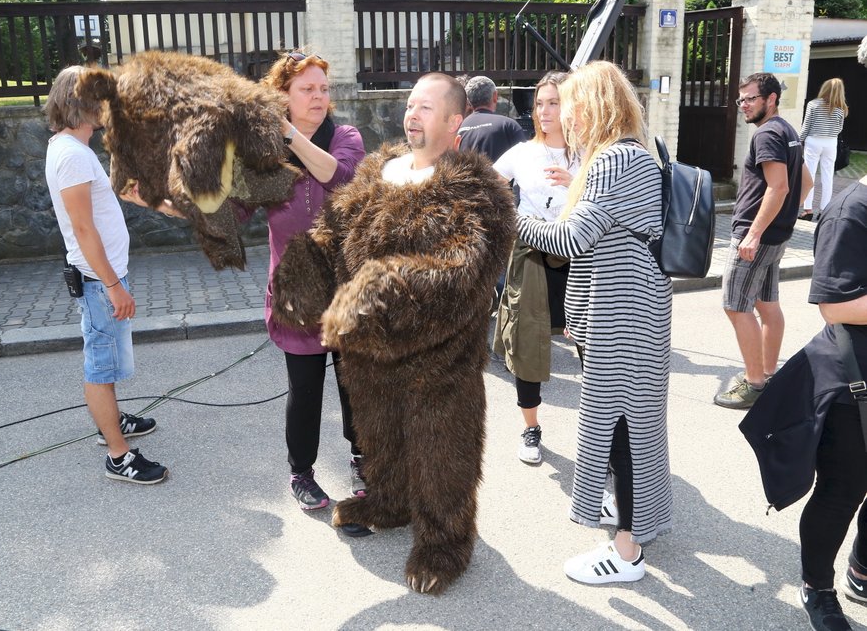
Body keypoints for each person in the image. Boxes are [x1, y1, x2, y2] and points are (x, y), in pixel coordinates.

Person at [270, 72, 515, 594]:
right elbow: (336, 228)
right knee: (379, 434)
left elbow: (461, 268)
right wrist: (306, 267)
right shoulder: (381, 168)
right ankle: (389, 498)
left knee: (440, 449)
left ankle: (445, 543)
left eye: (425, 108)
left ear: (455, 121)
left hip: (439, 357)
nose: (412, 115)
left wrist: (380, 287)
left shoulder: (476, 187)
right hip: (371, 352)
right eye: (410, 105)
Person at [516, 60, 672, 584]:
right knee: (630, 424)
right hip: (635, 306)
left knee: (623, 426)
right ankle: (629, 517)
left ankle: (627, 553)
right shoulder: (633, 156)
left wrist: (505, 211)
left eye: (571, 104)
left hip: (622, 312)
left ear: (593, 107)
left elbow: (566, 241)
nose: (566, 116)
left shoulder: (611, 162)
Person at [739, 181, 867, 631]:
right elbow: (834, 305)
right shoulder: (850, 211)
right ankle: (818, 587)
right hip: (854, 382)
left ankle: (861, 569)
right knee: (842, 492)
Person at [45, 66, 176, 485]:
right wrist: (114, 286)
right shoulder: (70, 155)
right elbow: (83, 229)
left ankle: (112, 422)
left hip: (104, 278)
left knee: (108, 361)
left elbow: (114, 194)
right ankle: (118, 455)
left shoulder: (77, 150)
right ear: (79, 102)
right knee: (100, 368)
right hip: (99, 281)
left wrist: (160, 204)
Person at [260, 50, 366, 510]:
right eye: (307, 89)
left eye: (324, 88)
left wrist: (289, 135)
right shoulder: (263, 153)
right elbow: (230, 204)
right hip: (296, 298)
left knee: (356, 387)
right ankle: (301, 472)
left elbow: (339, 176)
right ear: (283, 95)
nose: (319, 96)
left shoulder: (345, 136)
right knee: (304, 393)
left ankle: (366, 459)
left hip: (346, 291)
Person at [492, 71, 579, 464]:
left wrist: (576, 182)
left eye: (554, 102)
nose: (543, 111)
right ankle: (531, 428)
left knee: (592, 348)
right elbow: (486, 188)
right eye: (540, 103)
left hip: (580, 259)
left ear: (574, 105)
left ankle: (600, 432)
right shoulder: (522, 152)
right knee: (527, 344)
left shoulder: (590, 154)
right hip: (531, 258)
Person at [714, 72, 813, 409]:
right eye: (740, 99)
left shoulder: (768, 133)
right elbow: (806, 182)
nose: (743, 105)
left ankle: (754, 384)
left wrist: (754, 233)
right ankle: (768, 374)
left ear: (770, 100)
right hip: (777, 235)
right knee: (767, 305)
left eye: (750, 99)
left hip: (755, 237)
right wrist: (784, 217)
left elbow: (779, 186)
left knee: (735, 304)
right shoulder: (787, 130)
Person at [798, 78, 848, 221]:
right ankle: (824, 210)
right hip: (831, 143)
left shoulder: (813, 105)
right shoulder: (841, 108)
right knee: (828, 176)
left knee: (810, 175)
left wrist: (800, 140)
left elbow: (806, 125)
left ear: (824, 89)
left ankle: (808, 210)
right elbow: (839, 129)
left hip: (813, 141)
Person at [457, 75, 527, 162]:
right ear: (495, 96)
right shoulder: (508, 125)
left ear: (469, 100)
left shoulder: (458, 129)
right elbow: (526, 161)